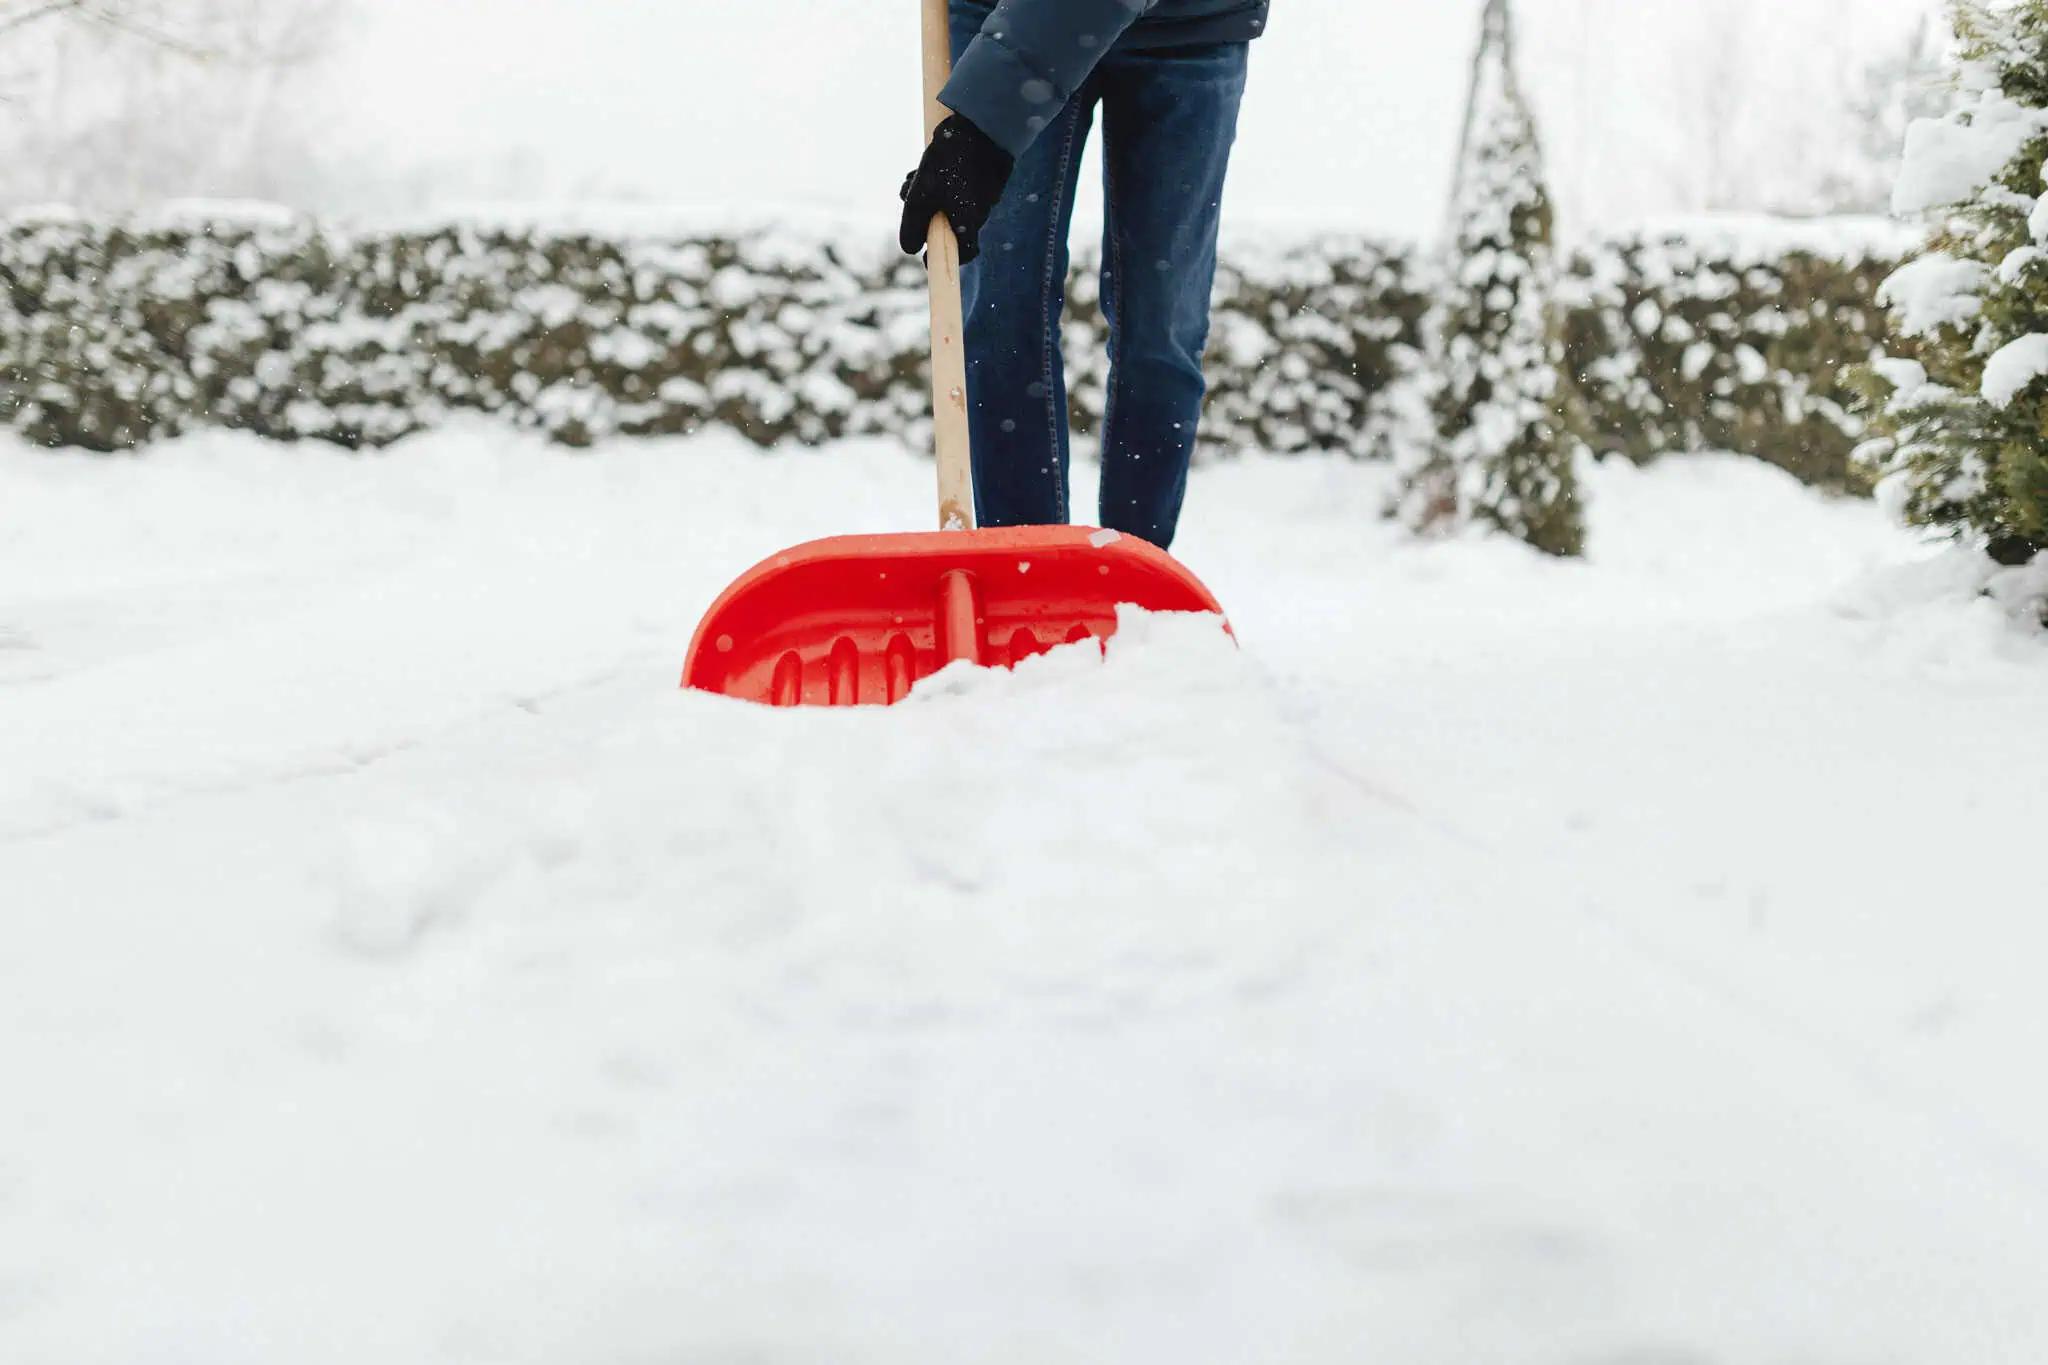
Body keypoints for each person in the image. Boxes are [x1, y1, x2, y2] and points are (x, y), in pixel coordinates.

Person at [899, 0, 1268, 550]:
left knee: (1161, 327)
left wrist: (985, 122)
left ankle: (1137, 588)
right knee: (999, 315)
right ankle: (1028, 573)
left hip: (1192, 26)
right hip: (1005, 16)